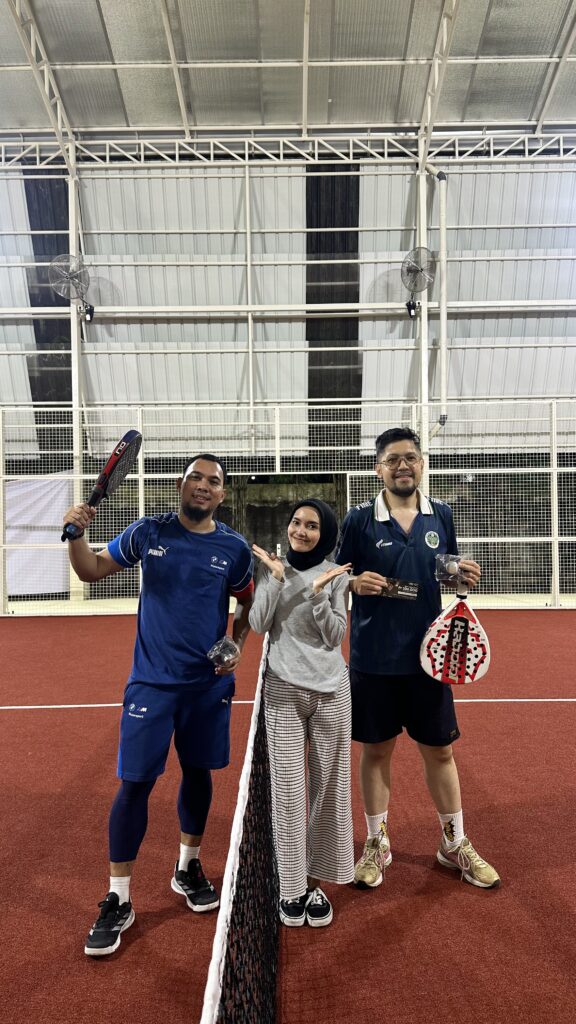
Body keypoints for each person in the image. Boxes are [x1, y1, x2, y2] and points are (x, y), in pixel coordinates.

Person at [63, 454, 254, 956]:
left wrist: (236, 642)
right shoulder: (149, 532)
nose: (203, 486)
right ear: (180, 483)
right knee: (135, 785)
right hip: (151, 685)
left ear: (222, 494)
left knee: (198, 773)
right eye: (195, 477)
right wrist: (76, 534)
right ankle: (118, 897)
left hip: (207, 687)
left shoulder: (234, 549)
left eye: (213, 481)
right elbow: (91, 570)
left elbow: (247, 601)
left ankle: (188, 866)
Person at [336, 427, 500, 891]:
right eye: (392, 459)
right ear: (378, 469)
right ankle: (377, 843)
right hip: (373, 659)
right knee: (376, 751)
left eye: (410, 457)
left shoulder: (441, 514)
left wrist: (460, 576)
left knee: (441, 751)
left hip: (431, 658)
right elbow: (334, 575)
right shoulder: (358, 520)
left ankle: (453, 842)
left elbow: (444, 572)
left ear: (422, 463)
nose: (402, 466)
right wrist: (352, 583)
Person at [249, 500, 354, 927]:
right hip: (283, 692)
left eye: (312, 526)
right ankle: (291, 887)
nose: (301, 531)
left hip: (332, 693)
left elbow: (335, 636)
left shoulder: (336, 575)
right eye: (296, 522)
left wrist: (319, 594)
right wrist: (276, 579)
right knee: (289, 793)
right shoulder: (273, 569)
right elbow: (259, 624)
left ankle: (315, 882)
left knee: (329, 791)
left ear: (324, 533)